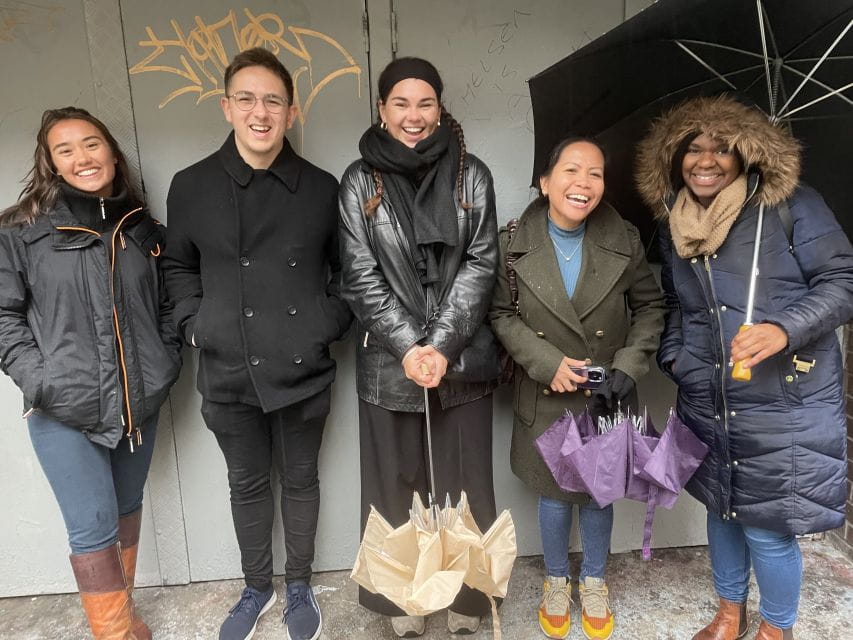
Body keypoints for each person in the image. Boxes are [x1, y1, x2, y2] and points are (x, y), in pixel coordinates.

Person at [635, 95, 853, 640]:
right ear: (675, 157)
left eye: (721, 148)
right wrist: (677, 359)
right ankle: (729, 613)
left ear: (746, 155)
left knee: (770, 526)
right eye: (693, 148)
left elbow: (843, 282)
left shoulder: (791, 205)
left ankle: (777, 629)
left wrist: (785, 328)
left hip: (786, 396)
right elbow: (679, 305)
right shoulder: (674, 222)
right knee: (722, 507)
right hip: (709, 394)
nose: (705, 160)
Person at [161, 48, 351, 640]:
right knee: (245, 483)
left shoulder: (322, 188)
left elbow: (348, 277)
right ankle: (255, 587)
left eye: (272, 100)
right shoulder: (191, 186)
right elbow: (177, 269)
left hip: (303, 366)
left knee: (300, 481)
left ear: (291, 113)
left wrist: (323, 325)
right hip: (225, 367)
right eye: (246, 98)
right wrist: (197, 324)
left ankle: (298, 587)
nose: (259, 112)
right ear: (227, 107)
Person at [0, 107, 181, 639]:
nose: (83, 157)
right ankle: (117, 634)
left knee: (126, 510)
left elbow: (169, 306)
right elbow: (3, 315)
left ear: (111, 152)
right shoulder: (19, 232)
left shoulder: (143, 228)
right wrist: (41, 379)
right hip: (63, 408)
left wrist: (164, 361)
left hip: (137, 403)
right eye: (66, 149)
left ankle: (122, 618)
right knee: (92, 528)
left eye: (92, 143)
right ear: (51, 163)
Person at [338, 57, 501, 638]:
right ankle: (405, 598)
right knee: (395, 487)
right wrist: (410, 346)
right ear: (382, 109)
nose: (414, 116)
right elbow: (359, 274)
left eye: (425, 103)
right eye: (400, 104)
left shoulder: (471, 176)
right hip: (389, 362)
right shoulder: (361, 181)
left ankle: (466, 597)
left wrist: (441, 343)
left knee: (465, 486)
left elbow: (481, 264)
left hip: (462, 358)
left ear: (440, 107)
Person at [490, 137, 664, 640]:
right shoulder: (512, 242)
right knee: (553, 494)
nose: (583, 184)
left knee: (597, 495)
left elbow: (652, 309)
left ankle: (593, 580)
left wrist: (629, 366)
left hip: (603, 390)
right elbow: (499, 314)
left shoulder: (625, 238)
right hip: (545, 392)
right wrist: (546, 362)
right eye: (571, 171)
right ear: (545, 182)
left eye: (595, 173)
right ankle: (554, 579)